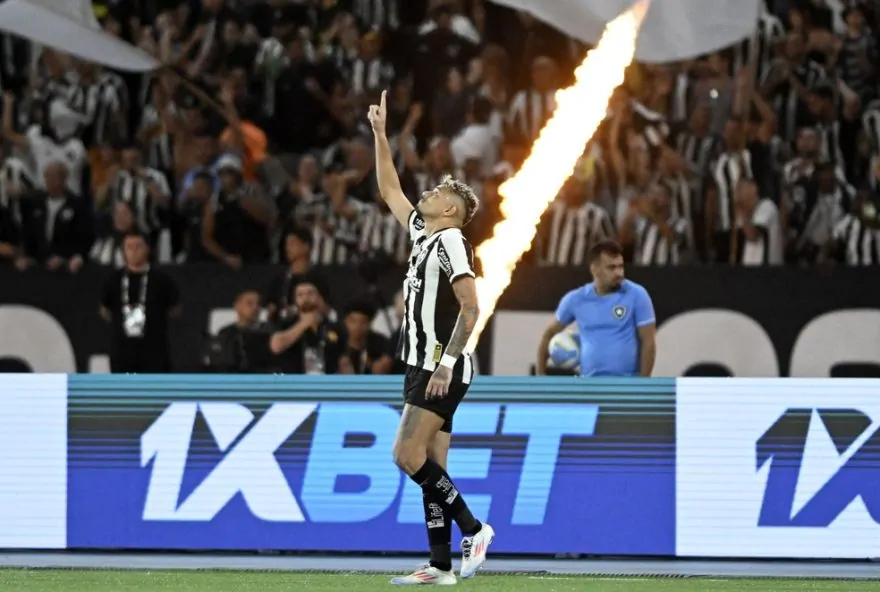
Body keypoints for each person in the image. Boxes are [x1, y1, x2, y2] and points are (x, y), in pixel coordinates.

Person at [369, 90, 494, 586]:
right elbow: (389, 190)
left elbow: (471, 306)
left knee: (406, 456)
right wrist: (381, 135)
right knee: (431, 466)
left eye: (441, 191)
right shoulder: (426, 235)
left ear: (452, 209)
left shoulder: (451, 241)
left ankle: (475, 529)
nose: (430, 191)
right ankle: (441, 565)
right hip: (424, 362)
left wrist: (445, 363)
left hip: (439, 365)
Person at [535, 240, 657, 377]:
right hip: (589, 384)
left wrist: (643, 383)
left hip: (627, 383)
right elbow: (549, 334)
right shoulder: (576, 299)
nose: (619, 273)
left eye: (621, 266)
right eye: (611, 268)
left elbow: (648, 342)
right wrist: (540, 375)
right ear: (595, 270)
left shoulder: (637, 295)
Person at [100, 231, 181, 373]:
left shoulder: (161, 279)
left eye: (138, 246)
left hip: (154, 350)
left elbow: (175, 309)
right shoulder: (113, 280)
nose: (134, 251)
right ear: (123, 250)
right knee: (124, 384)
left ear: (147, 249)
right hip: (123, 350)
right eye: (129, 247)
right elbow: (105, 310)